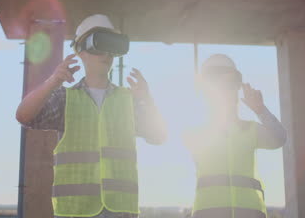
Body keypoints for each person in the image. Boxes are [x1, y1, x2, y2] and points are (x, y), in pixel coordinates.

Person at [16, 14, 167, 218]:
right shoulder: (65, 99)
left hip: (120, 211)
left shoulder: (127, 100)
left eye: (111, 47)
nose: (106, 54)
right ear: (81, 51)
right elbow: (24, 116)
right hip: (76, 211)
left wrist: (147, 100)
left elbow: (159, 136)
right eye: (99, 46)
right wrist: (52, 81)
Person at [184, 54, 286, 218]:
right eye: (218, 85)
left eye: (230, 85)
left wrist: (261, 110)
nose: (225, 91)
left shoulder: (250, 130)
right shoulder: (197, 133)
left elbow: (279, 139)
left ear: (237, 87)